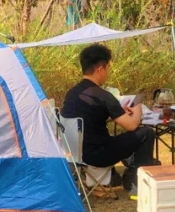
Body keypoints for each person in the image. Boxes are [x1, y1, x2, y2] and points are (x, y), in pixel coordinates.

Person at [61, 43, 158, 194]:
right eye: (107, 69)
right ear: (100, 69)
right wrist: (137, 110)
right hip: (98, 155)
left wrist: (116, 113)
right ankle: (138, 183)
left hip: (74, 153)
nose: (108, 73)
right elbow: (132, 125)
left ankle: (126, 176)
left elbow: (88, 119)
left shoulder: (72, 93)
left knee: (120, 137)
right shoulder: (104, 96)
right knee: (146, 133)